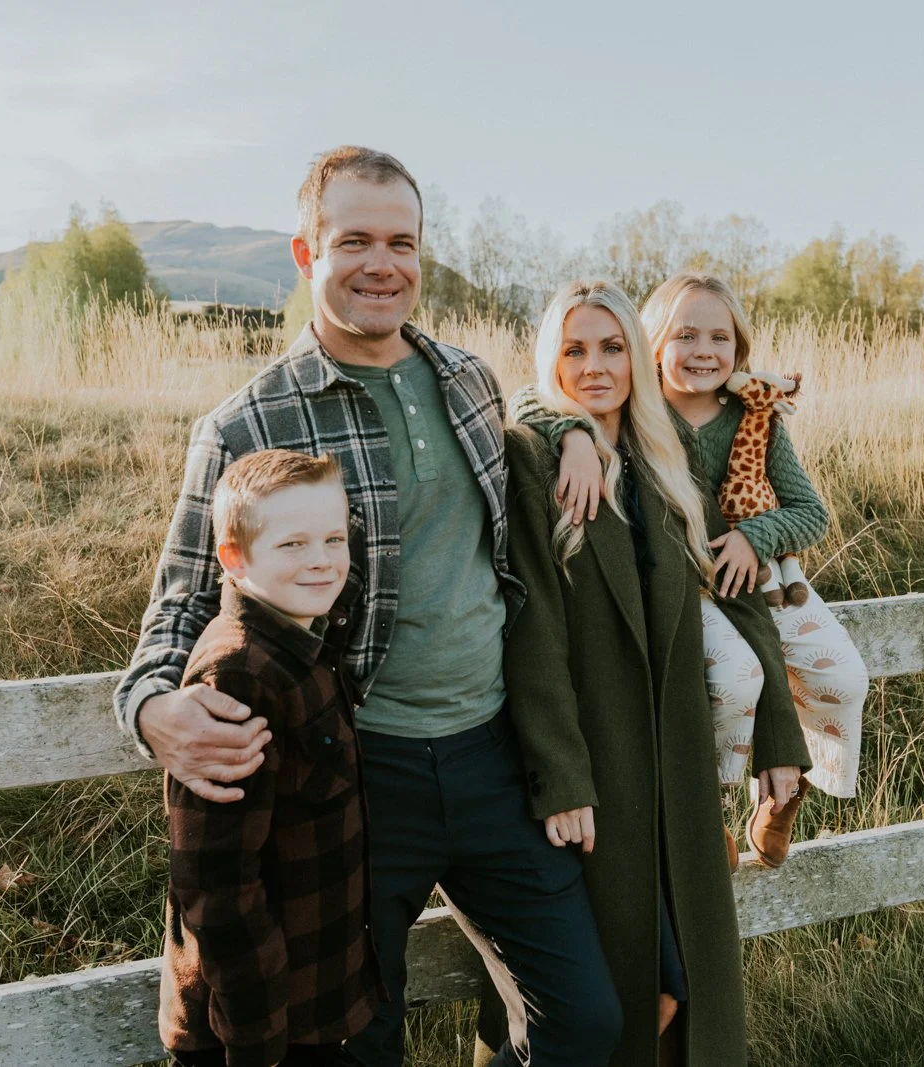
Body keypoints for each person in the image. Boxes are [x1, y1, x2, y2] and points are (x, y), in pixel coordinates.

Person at [117, 146, 620, 1067]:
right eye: (354, 241)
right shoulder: (245, 424)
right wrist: (153, 711)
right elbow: (177, 609)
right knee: (357, 1041)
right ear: (307, 254)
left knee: (584, 1022)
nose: (382, 264)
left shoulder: (470, 380)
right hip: (351, 773)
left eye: (402, 242)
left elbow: (543, 424)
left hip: (494, 756)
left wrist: (580, 429)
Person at [499, 280, 811, 1066]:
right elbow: (529, 633)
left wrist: (777, 726)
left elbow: (736, 602)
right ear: (551, 360)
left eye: (611, 348)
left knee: (681, 1001)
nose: (595, 366)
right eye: (574, 349)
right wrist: (562, 775)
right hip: (593, 769)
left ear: (638, 357)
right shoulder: (532, 455)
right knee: (609, 1000)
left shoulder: (662, 460)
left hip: (676, 765)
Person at [513, 273, 871, 868]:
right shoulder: (642, 414)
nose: (703, 350)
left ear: (739, 349)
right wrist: (572, 432)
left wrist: (756, 537)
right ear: (651, 344)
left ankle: (786, 794)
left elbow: (812, 512)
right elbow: (535, 394)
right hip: (692, 587)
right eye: (685, 335)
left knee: (846, 680)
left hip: (766, 581)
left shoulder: (756, 420)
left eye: (719, 337)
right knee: (731, 680)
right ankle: (713, 813)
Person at [160, 449, 382, 1067]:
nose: (322, 559)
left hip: (312, 1006)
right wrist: (257, 1041)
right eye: (293, 544)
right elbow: (217, 883)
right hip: (257, 1030)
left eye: (334, 538)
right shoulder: (239, 676)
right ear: (233, 558)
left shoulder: (309, 641)